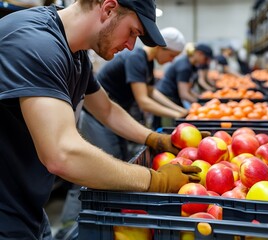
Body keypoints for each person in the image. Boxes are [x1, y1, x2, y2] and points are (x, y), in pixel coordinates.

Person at [0, 0, 202, 239]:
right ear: (108, 8)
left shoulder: (76, 55)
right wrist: (154, 180)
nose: (130, 46)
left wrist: (155, 139)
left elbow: (106, 109)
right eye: (132, 32)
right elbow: (62, 154)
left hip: (26, 203)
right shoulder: (36, 42)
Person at [79, 27, 188, 160]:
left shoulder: (148, 62)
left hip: (117, 114)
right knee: (109, 159)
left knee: (122, 157)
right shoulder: (136, 58)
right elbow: (144, 102)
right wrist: (177, 114)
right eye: (172, 56)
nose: (171, 61)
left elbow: (151, 92)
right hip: (97, 116)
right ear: (160, 47)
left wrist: (180, 110)